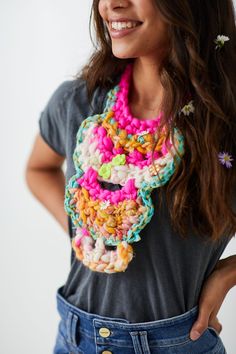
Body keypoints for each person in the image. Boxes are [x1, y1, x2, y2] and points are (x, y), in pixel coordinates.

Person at [25, 0, 236, 353]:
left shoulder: (224, 125)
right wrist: (88, 230)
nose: (111, 4)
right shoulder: (77, 102)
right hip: (75, 338)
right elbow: (38, 169)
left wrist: (229, 273)